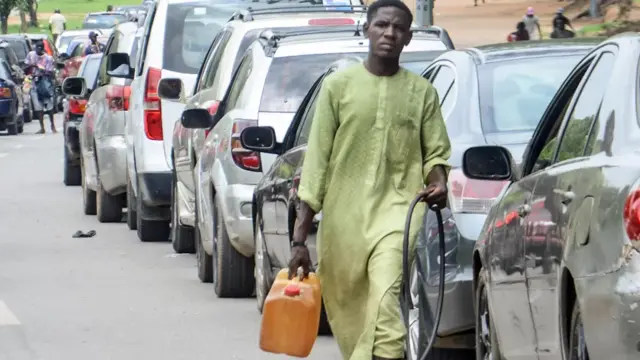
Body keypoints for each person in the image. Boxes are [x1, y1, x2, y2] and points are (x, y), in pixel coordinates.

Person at [287, 0, 451, 359]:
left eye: (398, 28)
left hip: (397, 214)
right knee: (353, 314)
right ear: (367, 30)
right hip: (343, 223)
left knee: (385, 298)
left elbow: (435, 154)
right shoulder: (337, 87)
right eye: (381, 25)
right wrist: (300, 239)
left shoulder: (422, 93)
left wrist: (438, 182)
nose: (389, 33)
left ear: (408, 37)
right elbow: (317, 163)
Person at [24, 43, 56, 134]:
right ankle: (42, 127)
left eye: (40, 48)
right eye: (37, 47)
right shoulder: (30, 55)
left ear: (43, 49)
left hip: (45, 84)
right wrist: (31, 66)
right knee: (38, 107)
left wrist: (42, 71)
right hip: (34, 84)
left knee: (49, 106)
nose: (38, 50)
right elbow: (25, 69)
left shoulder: (48, 58)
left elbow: (51, 73)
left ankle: (52, 125)